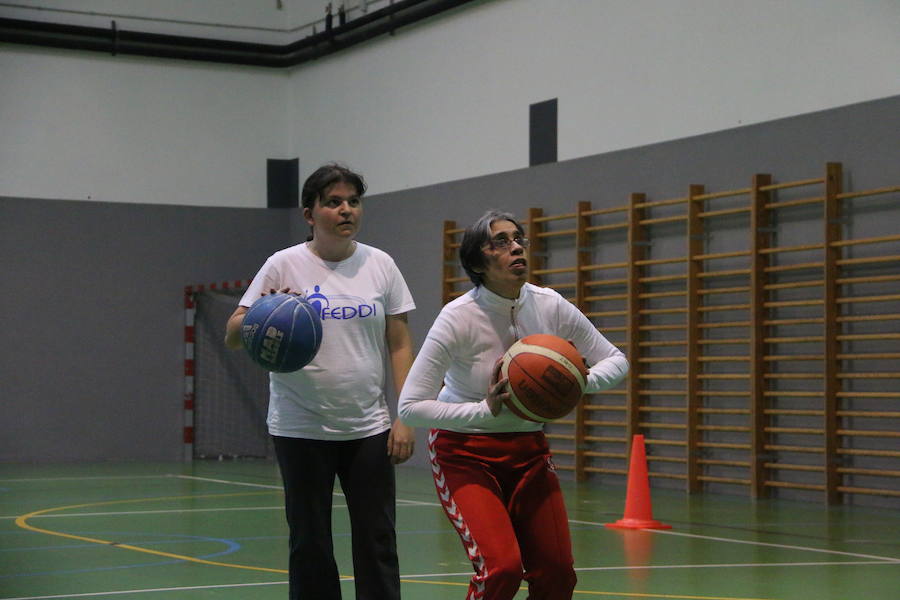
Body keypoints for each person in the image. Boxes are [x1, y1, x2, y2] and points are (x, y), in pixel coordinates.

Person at [398, 210, 629, 600]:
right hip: (464, 453)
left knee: (557, 574)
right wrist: (483, 410)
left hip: (529, 452)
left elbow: (617, 360)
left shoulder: (550, 304)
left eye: (519, 238)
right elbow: (410, 407)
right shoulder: (457, 317)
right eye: (501, 242)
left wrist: (577, 382)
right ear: (477, 262)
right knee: (501, 569)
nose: (517, 246)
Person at [225, 163, 416, 600]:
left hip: (368, 427)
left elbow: (401, 343)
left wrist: (405, 416)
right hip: (299, 427)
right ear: (310, 214)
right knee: (309, 543)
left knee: (378, 540)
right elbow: (233, 336)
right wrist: (263, 310)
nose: (346, 210)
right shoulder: (283, 264)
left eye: (353, 201)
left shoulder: (381, 265)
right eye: (333, 202)